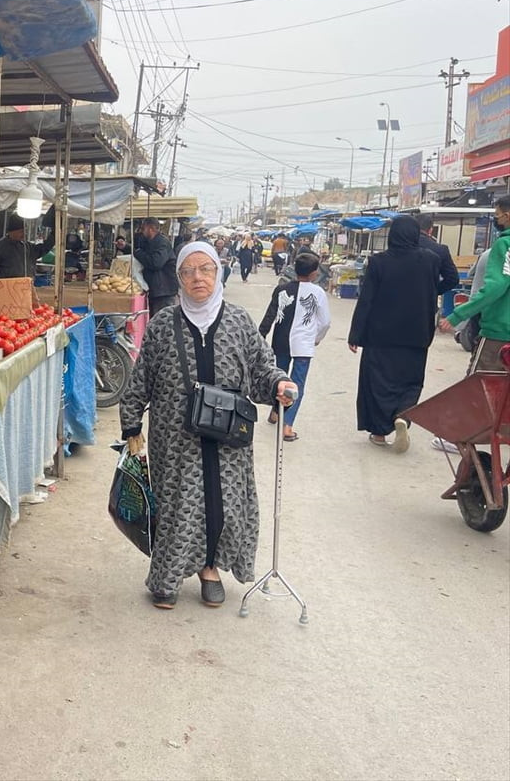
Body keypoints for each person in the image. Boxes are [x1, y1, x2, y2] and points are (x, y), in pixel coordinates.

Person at [120, 242, 296, 609]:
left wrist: (279, 382)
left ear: (218, 272)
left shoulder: (238, 320)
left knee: (220, 502)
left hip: (229, 433)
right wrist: (131, 420)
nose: (197, 277)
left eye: (205, 269)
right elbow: (142, 378)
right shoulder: (163, 324)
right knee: (176, 503)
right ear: (179, 278)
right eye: (188, 271)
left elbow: (261, 366)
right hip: (175, 435)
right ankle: (166, 576)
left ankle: (210, 569)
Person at [348, 214, 440, 453]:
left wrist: (355, 334)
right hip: (416, 336)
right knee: (410, 382)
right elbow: (432, 294)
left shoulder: (379, 262)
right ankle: (402, 416)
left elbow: (366, 299)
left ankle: (378, 433)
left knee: (377, 383)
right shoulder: (430, 260)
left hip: (381, 337)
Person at [258, 253, 332, 443]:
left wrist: (260, 336)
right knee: (296, 384)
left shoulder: (281, 290)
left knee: (279, 380)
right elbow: (325, 322)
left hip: (280, 343)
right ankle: (288, 426)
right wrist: (316, 338)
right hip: (303, 346)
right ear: (315, 273)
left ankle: (276, 412)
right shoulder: (318, 293)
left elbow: (270, 315)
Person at [440, 194, 510, 374]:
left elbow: (495, 287)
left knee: (478, 393)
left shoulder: (504, 245)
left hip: (500, 335)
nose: (496, 219)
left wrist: (458, 315)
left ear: (507, 216)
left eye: (497, 215)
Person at [133, 216, 179, 317]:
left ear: (151, 229)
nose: (142, 231)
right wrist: (127, 248)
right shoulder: (150, 242)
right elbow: (144, 254)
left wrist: (138, 253)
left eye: (143, 228)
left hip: (163, 291)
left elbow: (156, 263)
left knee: (162, 320)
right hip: (157, 290)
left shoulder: (162, 243)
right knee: (155, 319)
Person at [0, 211, 54, 279]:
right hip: (7, 288)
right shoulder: (0, 247)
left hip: (26, 287)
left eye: (25, 231)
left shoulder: (27, 246)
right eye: (21, 231)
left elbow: (44, 248)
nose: (24, 234)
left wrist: (54, 235)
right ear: (11, 231)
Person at [416, 214, 460, 300]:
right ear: (430, 230)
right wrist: (433, 291)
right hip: (427, 303)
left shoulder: (403, 246)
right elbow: (452, 279)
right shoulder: (440, 250)